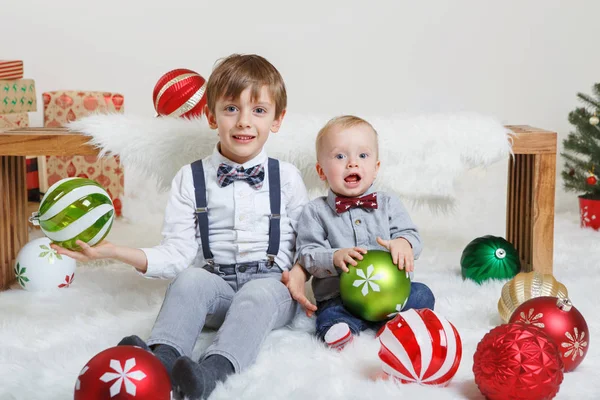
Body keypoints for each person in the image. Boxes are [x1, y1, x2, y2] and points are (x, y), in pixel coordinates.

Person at [53, 54, 309, 400]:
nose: (244, 122)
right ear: (210, 115)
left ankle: (210, 373)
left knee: (256, 295)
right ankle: (161, 359)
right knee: (190, 278)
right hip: (217, 286)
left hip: (270, 288)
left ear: (278, 120)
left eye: (259, 111)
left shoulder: (288, 178)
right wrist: (114, 252)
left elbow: (307, 240)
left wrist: (299, 272)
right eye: (231, 109)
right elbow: (176, 253)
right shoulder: (190, 178)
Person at [282, 115, 435, 351]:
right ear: (321, 171)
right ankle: (341, 331)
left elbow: (412, 235)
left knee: (423, 295)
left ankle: (393, 323)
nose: (352, 163)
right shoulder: (315, 212)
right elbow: (307, 254)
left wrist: (404, 243)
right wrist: (334, 258)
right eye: (340, 156)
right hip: (341, 296)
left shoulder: (389, 203)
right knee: (329, 314)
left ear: (376, 168)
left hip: (391, 295)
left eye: (362, 156)